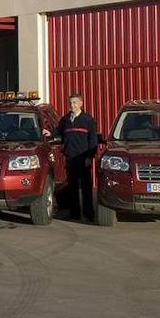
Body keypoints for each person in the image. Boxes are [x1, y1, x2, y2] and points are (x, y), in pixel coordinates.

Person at [56, 93, 98, 222]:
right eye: (70, 102)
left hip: (83, 158)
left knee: (86, 187)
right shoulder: (65, 120)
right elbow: (58, 131)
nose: (72, 105)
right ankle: (74, 214)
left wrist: (89, 157)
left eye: (74, 102)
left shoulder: (88, 120)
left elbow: (93, 140)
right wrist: (48, 133)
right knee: (72, 187)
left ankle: (89, 214)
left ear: (81, 104)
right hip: (70, 158)